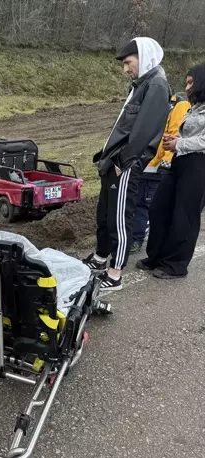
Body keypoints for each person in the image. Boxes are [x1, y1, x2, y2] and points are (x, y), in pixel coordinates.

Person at [83, 37, 170, 291]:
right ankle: (100, 259)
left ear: (143, 58)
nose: (125, 68)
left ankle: (115, 273)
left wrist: (123, 163)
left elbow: (143, 133)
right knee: (105, 215)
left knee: (120, 219)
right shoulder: (141, 84)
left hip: (125, 164)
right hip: (115, 163)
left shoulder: (156, 85)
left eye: (128, 62)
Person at [138, 64, 205, 279]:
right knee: (159, 208)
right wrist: (174, 144)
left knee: (185, 215)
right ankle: (156, 256)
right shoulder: (195, 107)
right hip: (179, 162)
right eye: (186, 82)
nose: (186, 87)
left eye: (191, 82)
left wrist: (180, 143)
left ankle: (176, 265)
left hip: (199, 166)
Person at [130, 94, 191, 253]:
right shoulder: (148, 102)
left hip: (156, 165)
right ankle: (137, 234)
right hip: (142, 162)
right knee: (137, 201)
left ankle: (138, 237)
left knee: (144, 202)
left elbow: (176, 134)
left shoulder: (179, 104)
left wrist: (166, 162)